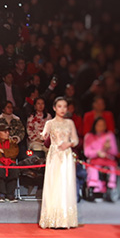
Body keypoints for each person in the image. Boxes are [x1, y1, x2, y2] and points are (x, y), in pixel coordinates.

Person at [39, 97, 80, 228]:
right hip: (54, 155)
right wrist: (43, 135)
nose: (62, 109)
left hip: (66, 155)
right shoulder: (49, 123)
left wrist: (69, 143)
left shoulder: (70, 123)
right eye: (59, 106)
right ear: (54, 108)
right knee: (54, 184)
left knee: (65, 184)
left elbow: (76, 140)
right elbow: (44, 135)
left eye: (64, 106)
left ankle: (65, 219)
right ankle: (52, 219)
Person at [83, 116, 119, 199]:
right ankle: (93, 188)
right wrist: (97, 153)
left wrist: (109, 148)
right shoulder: (89, 136)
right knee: (93, 168)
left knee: (112, 168)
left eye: (103, 125)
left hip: (108, 160)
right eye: (99, 125)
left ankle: (111, 188)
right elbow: (87, 152)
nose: (101, 127)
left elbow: (115, 152)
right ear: (94, 125)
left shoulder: (109, 135)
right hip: (94, 160)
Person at [0, 122, 20, 201]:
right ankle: (1, 194)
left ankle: (10, 194)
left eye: (8, 131)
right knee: (0, 169)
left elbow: (14, 153)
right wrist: (4, 154)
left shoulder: (12, 142)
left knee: (14, 169)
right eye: (5, 132)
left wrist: (3, 152)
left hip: (10, 162)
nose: (7, 133)